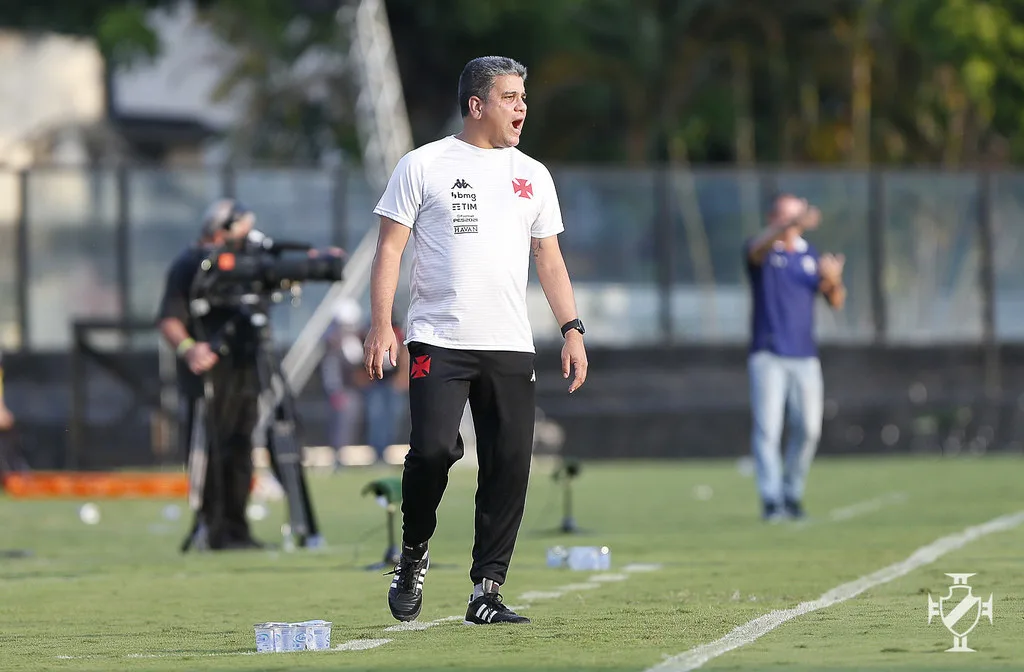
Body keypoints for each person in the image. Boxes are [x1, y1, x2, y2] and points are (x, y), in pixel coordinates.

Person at [363, 55, 588, 626]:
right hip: (438, 340)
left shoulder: (533, 174)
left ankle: (486, 588)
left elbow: (549, 256)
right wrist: (380, 322)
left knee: (510, 463)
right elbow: (389, 248)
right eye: (510, 98)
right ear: (476, 105)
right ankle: (412, 554)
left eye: (523, 97)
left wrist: (571, 329)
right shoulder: (424, 164)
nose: (522, 109)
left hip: (510, 345)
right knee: (434, 451)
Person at [158, 198, 267, 551]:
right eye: (242, 233)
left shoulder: (247, 263)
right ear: (221, 231)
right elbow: (170, 318)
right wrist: (190, 348)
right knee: (210, 450)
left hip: (244, 371)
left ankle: (237, 530)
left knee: (241, 448)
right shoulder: (191, 263)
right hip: (207, 377)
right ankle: (210, 527)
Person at [744, 194, 846, 522]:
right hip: (768, 354)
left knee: (810, 429)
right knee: (768, 430)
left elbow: (835, 300)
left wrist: (833, 278)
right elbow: (756, 250)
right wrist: (793, 222)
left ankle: (792, 492)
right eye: (787, 216)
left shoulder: (809, 255)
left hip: (804, 356)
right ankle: (771, 499)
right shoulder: (763, 249)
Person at [321, 299, 366, 470]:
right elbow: (330, 370)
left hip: (353, 391)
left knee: (351, 424)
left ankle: (345, 456)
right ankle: (339, 458)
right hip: (342, 392)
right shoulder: (333, 344)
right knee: (340, 426)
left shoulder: (353, 341)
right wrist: (335, 390)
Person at [361, 315, 409, 463]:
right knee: (376, 418)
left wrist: (402, 377)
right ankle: (378, 452)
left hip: (392, 383)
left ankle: (386, 450)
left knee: (392, 418)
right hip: (376, 383)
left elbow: (404, 354)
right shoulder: (369, 333)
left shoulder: (398, 333)